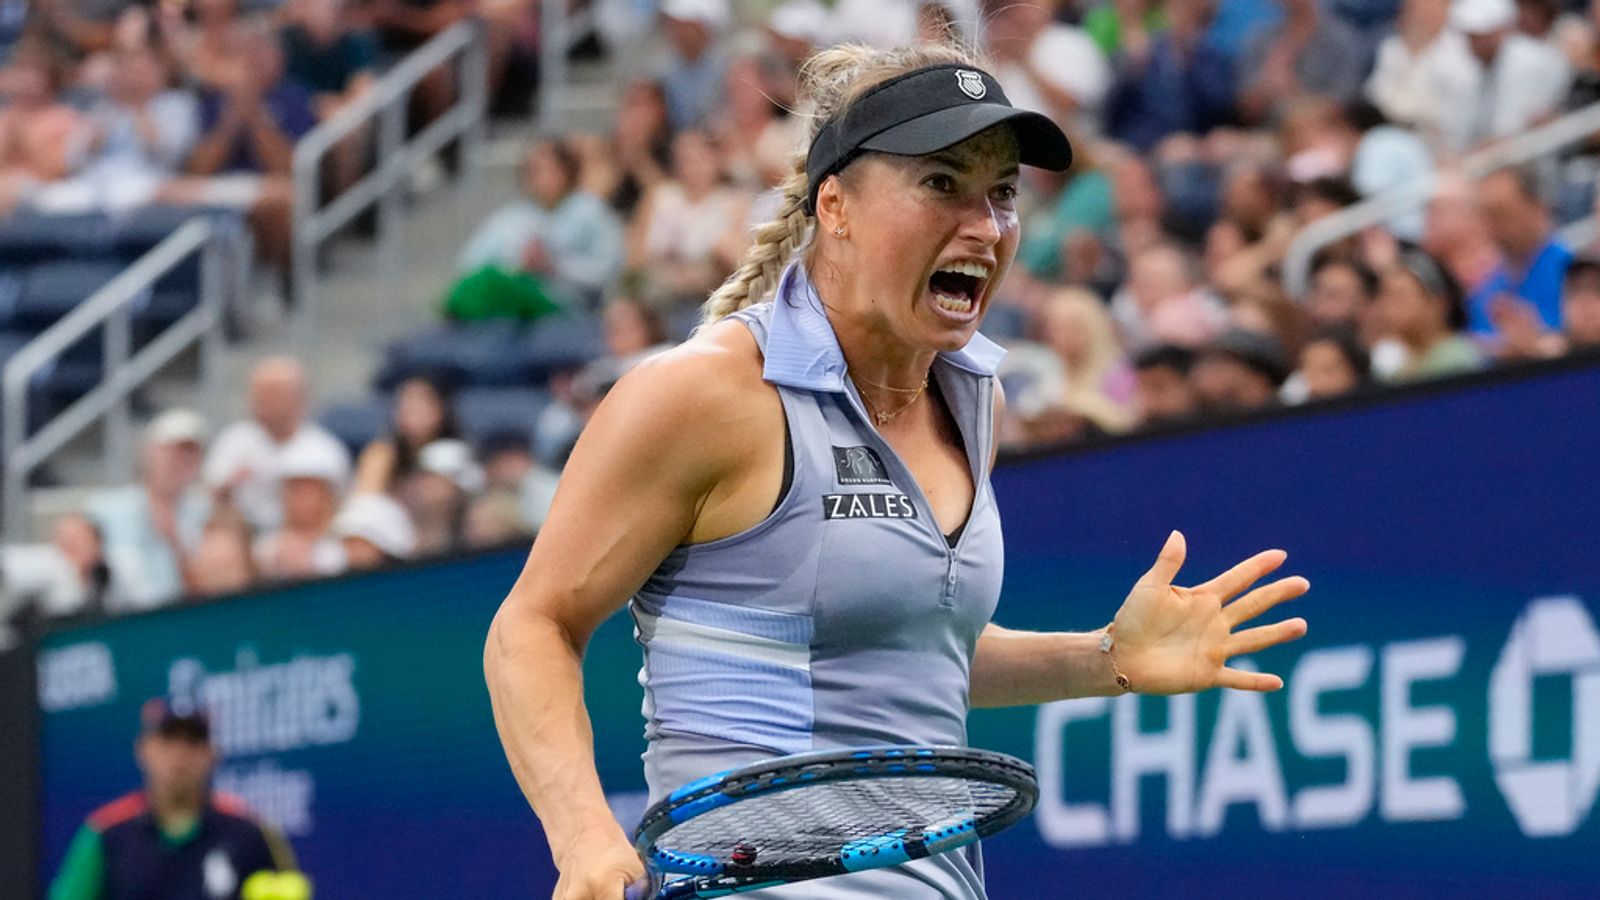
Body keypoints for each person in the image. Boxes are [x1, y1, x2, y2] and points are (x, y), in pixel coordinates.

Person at [484, 42, 1309, 900]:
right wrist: (581, 833)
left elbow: (908, 647)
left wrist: (1105, 657)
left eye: (1002, 193)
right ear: (834, 206)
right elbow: (533, 626)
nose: (985, 226)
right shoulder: (705, 394)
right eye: (941, 184)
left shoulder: (972, 399)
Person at [49, 699, 304, 900]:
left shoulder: (250, 831)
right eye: (168, 739)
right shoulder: (106, 833)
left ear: (213, 754)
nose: (180, 754)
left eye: (193, 741)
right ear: (143, 749)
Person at [204, 357, 352, 533]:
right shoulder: (234, 439)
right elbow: (207, 499)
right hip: (241, 539)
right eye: (258, 393)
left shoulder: (325, 451)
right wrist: (228, 486)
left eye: (274, 393)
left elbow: (337, 512)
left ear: (300, 398)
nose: (264, 401)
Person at [85, 409, 212, 611]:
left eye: (189, 454)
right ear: (148, 452)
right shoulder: (105, 508)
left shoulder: (209, 514)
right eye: (170, 451)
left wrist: (176, 545)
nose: (177, 461)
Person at [1376, 247, 1486, 381]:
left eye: (1399, 296)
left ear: (1438, 303)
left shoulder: (1457, 361)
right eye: (1385, 297)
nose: (1389, 308)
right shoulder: (1397, 369)